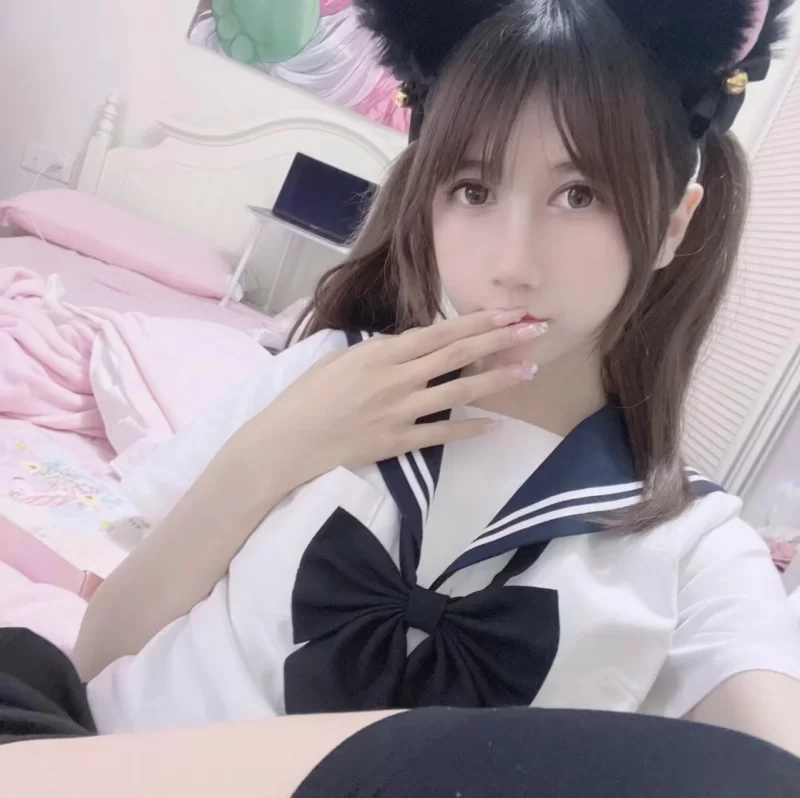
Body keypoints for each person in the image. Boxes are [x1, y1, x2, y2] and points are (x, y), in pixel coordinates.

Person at [3, 0, 800, 786]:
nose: (513, 263)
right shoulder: (325, 376)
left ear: (672, 226)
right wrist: (274, 449)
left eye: (580, 194)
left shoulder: (695, 548)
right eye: (474, 190)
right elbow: (99, 654)